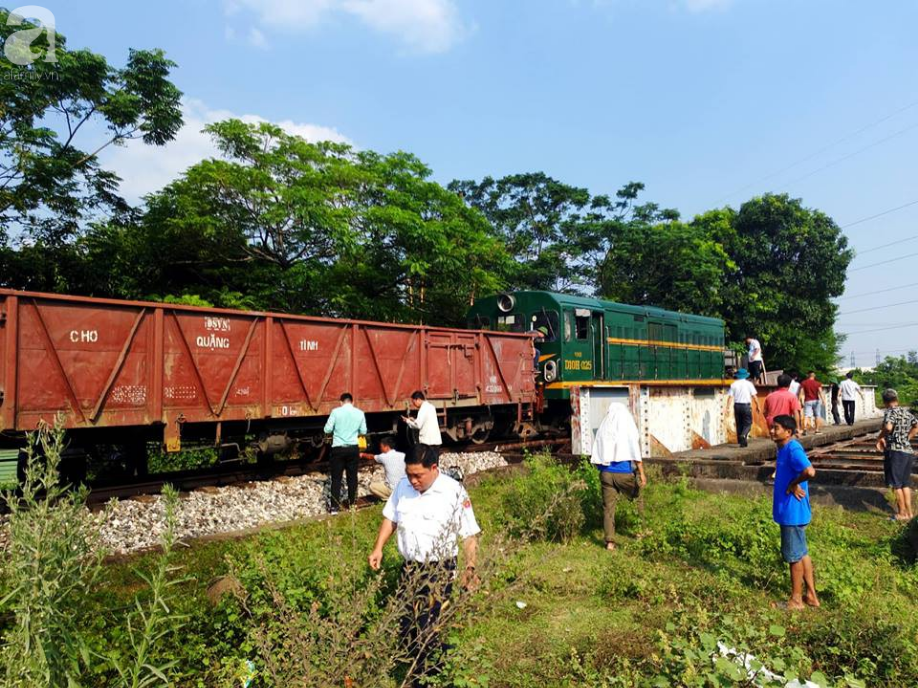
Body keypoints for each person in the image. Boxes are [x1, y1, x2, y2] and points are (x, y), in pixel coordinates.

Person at [368, 444, 480, 685]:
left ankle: (428, 678)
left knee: (429, 626)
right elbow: (391, 518)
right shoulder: (403, 487)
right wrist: (378, 548)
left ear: (434, 468)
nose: (413, 480)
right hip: (409, 568)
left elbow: (469, 534)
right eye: (409, 474)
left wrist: (470, 568)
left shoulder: (453, 492)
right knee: (407, 625)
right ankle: (425, 669)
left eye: (418, 475)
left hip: (439, 570)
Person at [770, 414, 819, 610]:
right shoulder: (782, 449)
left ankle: (796, 600)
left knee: (794, 557)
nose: (772, 431)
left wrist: (793, 484)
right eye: (772, 427)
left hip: (793, 513)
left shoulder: (792, 448)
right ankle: (812, 596)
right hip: (792, 511)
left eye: (776, 428)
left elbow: (810, 471)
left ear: (788, 432)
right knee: (802, 553)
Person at [590, 404, 646, 551]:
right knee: (637, 497)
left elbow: (598, 450)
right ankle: (640, 531)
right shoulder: (627, 425)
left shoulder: (605, 426)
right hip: (623, 473)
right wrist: (641, 473)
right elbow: (635, 451)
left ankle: (610, 542)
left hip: (606, 474)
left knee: (608, 508)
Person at [875, 389, 917, 521]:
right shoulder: (906, 412)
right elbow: (916, 426)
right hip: (907, 452)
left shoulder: (890, 412)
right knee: (905, 484)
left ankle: (901, 514)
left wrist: (879, 437)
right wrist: (906, 439)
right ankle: (909, 514)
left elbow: (888, 427)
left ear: (885, 402)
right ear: (896, 399)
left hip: (895, 452)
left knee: (896, 485)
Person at [323, 392, 367, 514]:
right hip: (353, 448)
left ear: (341, 402)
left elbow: (327, 429)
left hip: (338, 448)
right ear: (352, 402)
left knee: (336, 478)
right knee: (352, 477)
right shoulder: (360, 413)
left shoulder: (336, 412)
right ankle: (352, 504)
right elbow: (363, 431)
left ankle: (334, 508)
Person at [360, 435, 406, 500]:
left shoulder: (384, 457)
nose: (380, 449)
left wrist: (362, 454)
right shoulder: (403, 455)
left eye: (381, 447)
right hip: (404, 489)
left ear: (386, 447)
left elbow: (371, 456)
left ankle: (389, 498)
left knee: (372, 486)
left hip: (393, 489)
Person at [724, 368, 761, 447]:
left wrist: (727, 408)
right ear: (745, 376)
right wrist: (758, 405)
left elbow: (730, 397)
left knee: (739, 423)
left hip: (737, 405)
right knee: (748, 423)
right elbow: (754, 396)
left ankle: (742, 443)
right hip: (746, 405)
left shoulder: (734, 384)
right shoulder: (749, 384)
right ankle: (744, 434)